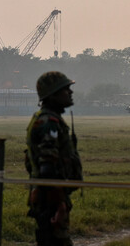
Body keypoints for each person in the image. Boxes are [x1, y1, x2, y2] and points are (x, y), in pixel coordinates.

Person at [25, 71, 83, 246]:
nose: (70, 93)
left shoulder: (47, 119)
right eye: (66, 90)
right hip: (50, 199)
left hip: (48, 196)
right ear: (53, 95)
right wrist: (58, 205)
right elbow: (47, 169)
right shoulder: (49, 122)